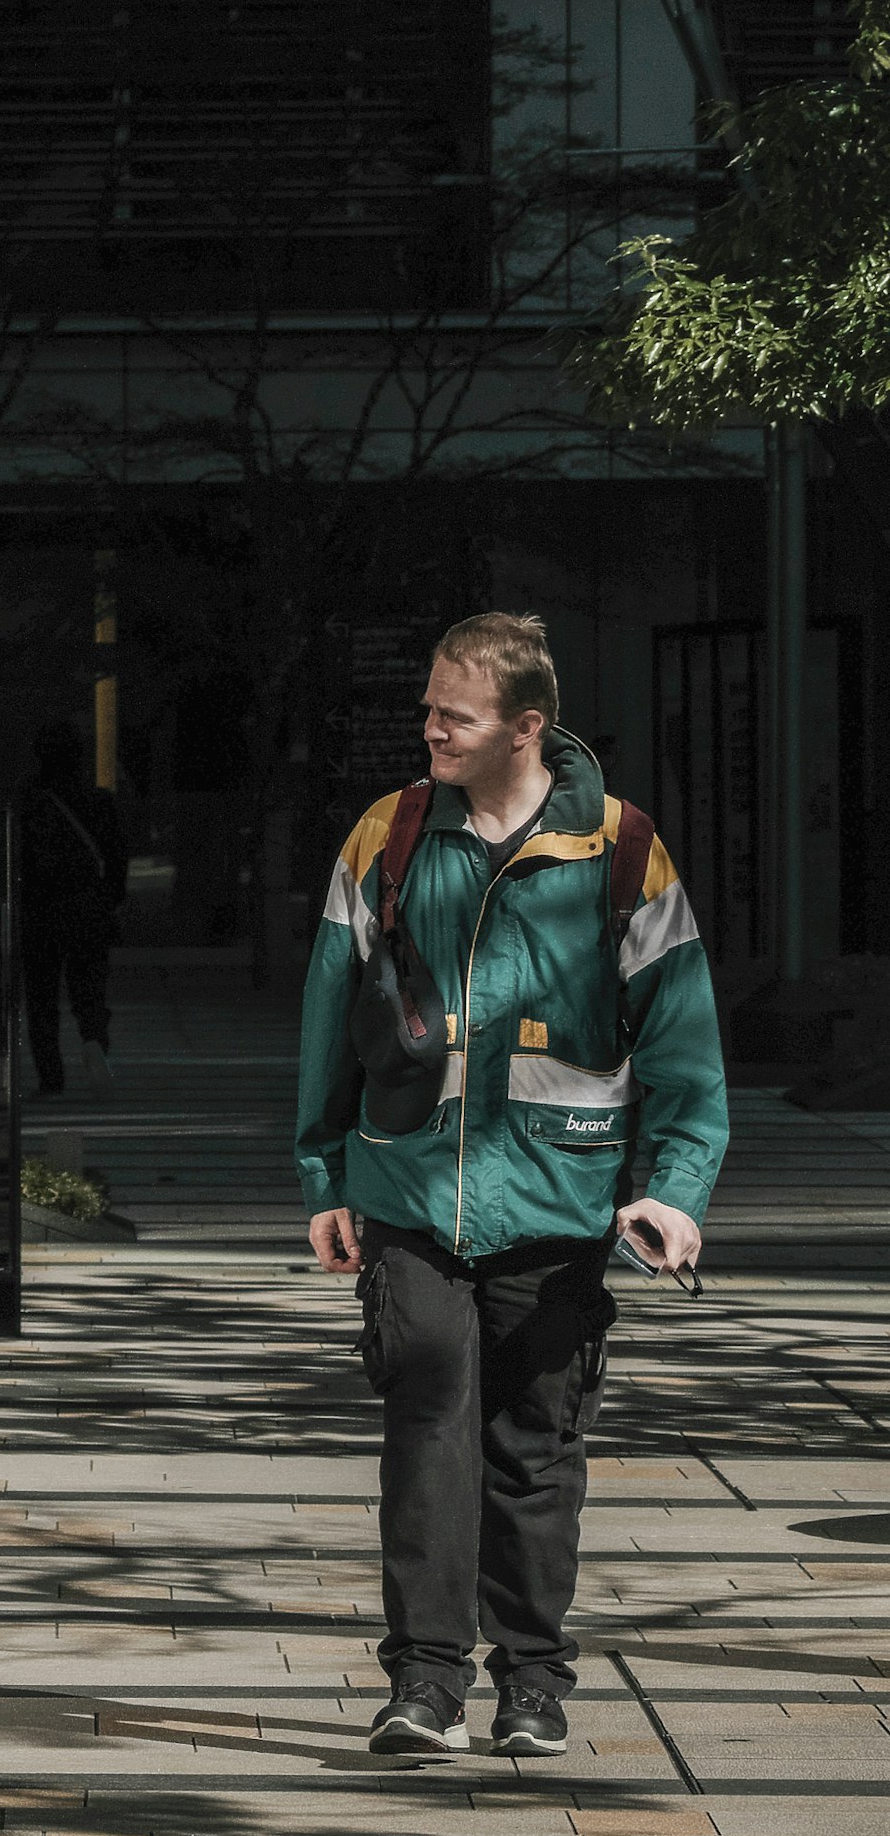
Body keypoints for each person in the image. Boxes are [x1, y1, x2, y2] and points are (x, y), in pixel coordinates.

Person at [295, 614, 725, 1759]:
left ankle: (531, 1682)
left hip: (561, 1198)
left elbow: (683, 1039)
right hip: (408, 1189)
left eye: (455, 714)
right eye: (429, 705)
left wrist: (675, 1190)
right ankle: (424, 1684)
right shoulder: (389, 834)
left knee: (535, 1447)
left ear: (525, 728)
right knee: (428, 1424)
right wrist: (323, 1171)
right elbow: (332, 1009)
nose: (428, 726)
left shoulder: (623, 851)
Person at [17, 724, 128, 1098]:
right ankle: (94, 1041)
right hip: (87, 909)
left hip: (41, 912)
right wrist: (109, 900)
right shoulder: (98, 800)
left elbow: (18, 860)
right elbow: (116, 859)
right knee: (89, 989)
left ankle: (51, 1077)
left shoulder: (28, 803)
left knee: (42, 999)